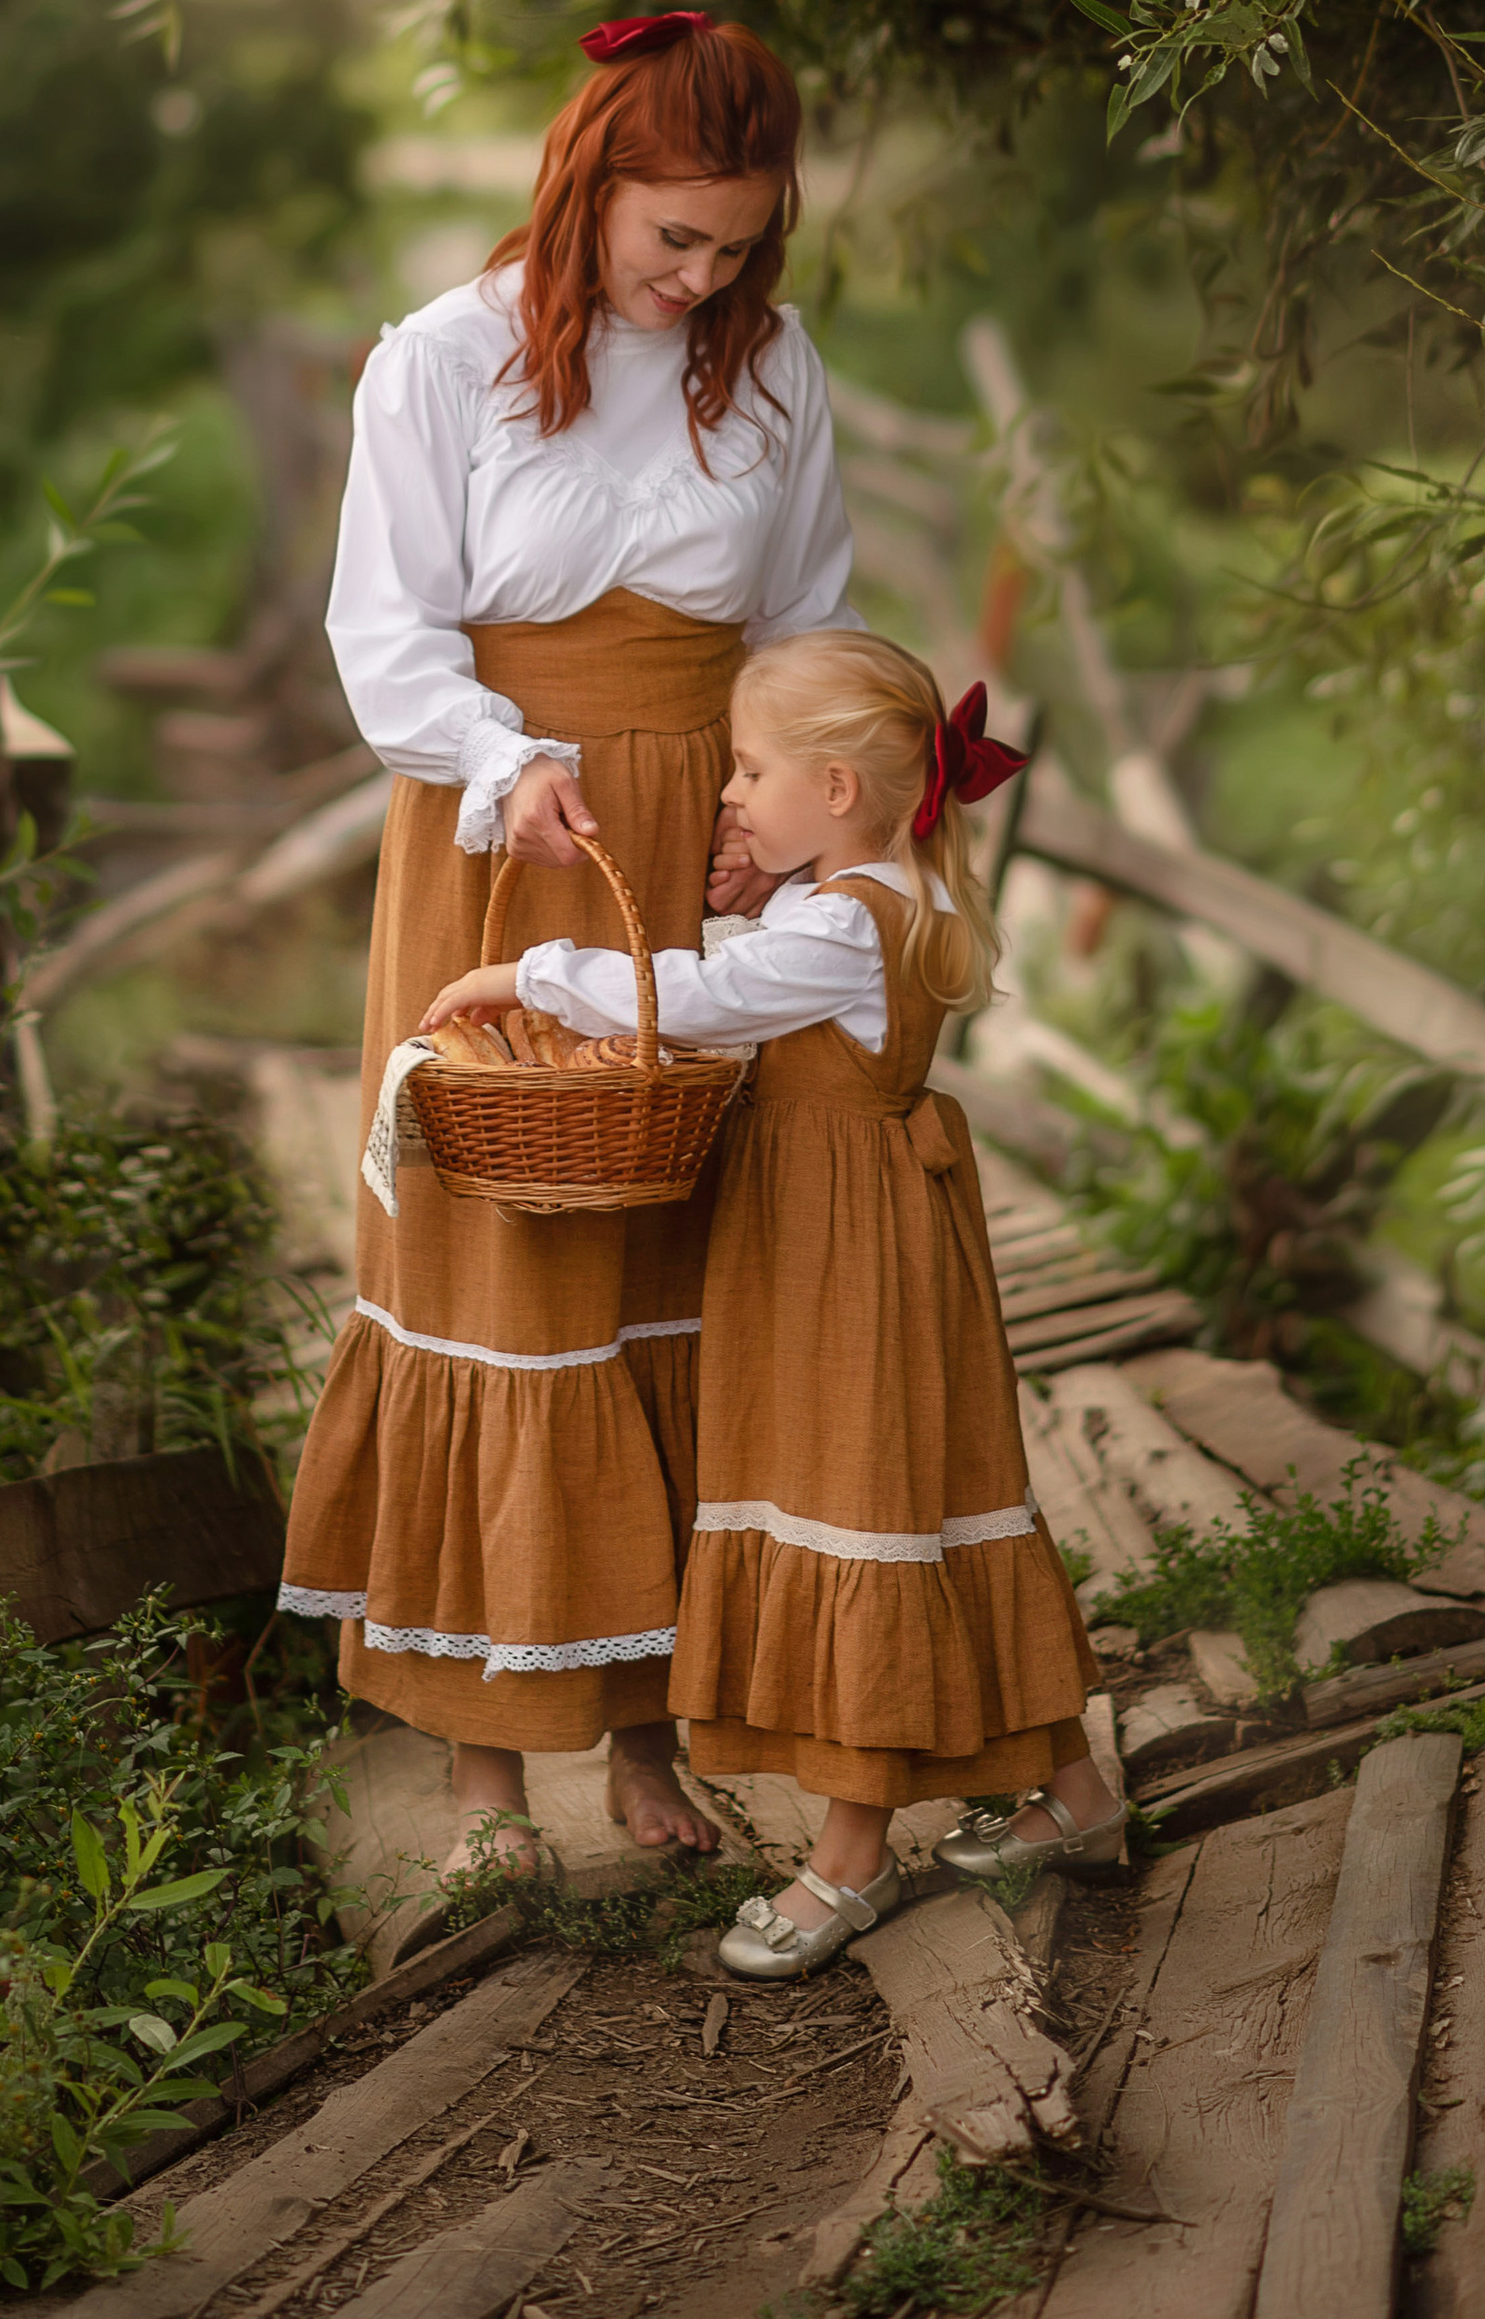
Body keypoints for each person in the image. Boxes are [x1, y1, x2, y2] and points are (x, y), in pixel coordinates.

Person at [276, 10, 857, 1882]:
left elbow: (805, 620)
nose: (704, 276)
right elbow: (389, 638)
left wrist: (781, 842)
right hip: (504, 842)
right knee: (508, 1275)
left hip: (694, 850)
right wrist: (501, 761)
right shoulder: (441, 363)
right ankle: (480, 1789)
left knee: (682, 1271)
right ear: (590, 178)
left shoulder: (770, 373)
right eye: (674, 237)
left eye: (738, 244)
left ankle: (650, 1742)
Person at [424, 628, 1127, 1976]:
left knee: (853, 1503)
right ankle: (1076, 1794)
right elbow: (758, 964)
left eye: (750, 771)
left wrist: (529, 971)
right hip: (862, 1236)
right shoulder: (872, 897)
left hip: (839, 1260)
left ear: (840, 790)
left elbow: (701, 993)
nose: (730, 795)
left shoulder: (847, 927)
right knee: (927, 1508)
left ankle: (849, 1856)